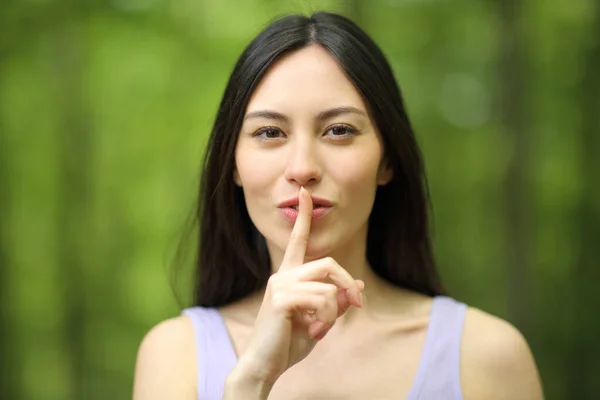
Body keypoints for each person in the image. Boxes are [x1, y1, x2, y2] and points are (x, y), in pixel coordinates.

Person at [132, 11, 543, 400]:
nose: (303, 168)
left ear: (387, 160)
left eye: (339, 130)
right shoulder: (176, 355)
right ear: (233, 164)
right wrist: (253, 379)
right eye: (270, 132)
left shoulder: (487, 356)